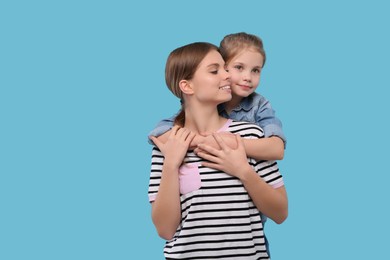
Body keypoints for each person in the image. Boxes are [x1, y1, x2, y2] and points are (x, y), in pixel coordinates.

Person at [148, 42, 288, 259]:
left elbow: (280, 213)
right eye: (215, 71)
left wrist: (243, 170)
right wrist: (171, 164)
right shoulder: (168, 143)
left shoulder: (251, 134)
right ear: (187, 86)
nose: (227, 76)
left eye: (225, 68)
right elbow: (165, 230)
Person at [148, 32, 286, 161]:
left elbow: (277, 149)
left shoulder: (259, 105)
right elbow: (159, 133)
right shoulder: (209, 102)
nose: (247, 77)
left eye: (255, 70)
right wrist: (201, 142)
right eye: (239, 67)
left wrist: (228, 143)